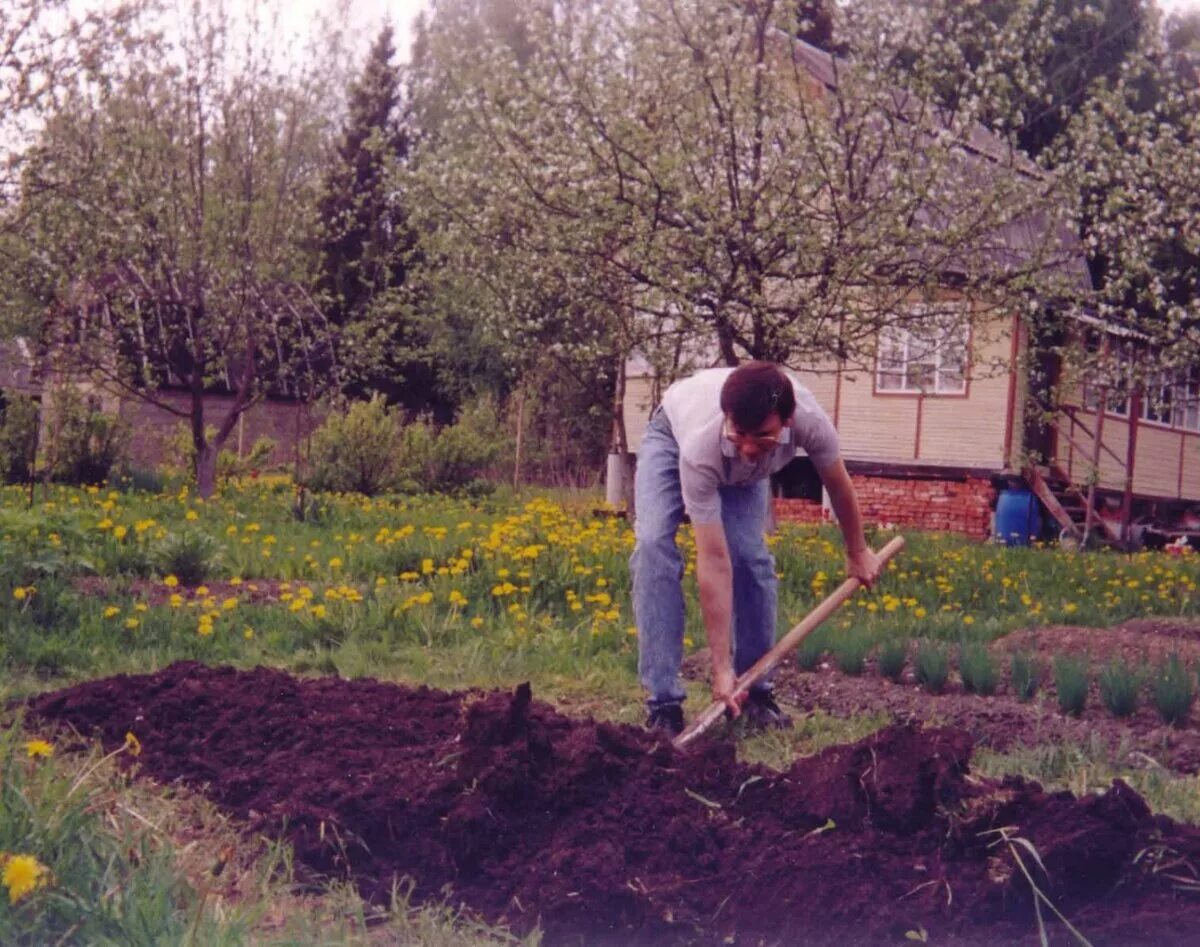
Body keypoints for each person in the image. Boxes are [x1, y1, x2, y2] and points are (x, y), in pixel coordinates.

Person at [631, 361, 882, 735]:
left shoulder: (811, 421)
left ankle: (755, 694)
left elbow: (838, 485)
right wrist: (719, 666)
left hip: (742, 469)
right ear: (727, 417)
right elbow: (714, 561)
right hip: (672, 435)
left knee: (751, 560)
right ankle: (664, 704)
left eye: (763, 436)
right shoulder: (701, 446)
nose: (749, 448)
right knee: (653, 547)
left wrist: (857, 551)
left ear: (788, 420)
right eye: (740, 433)